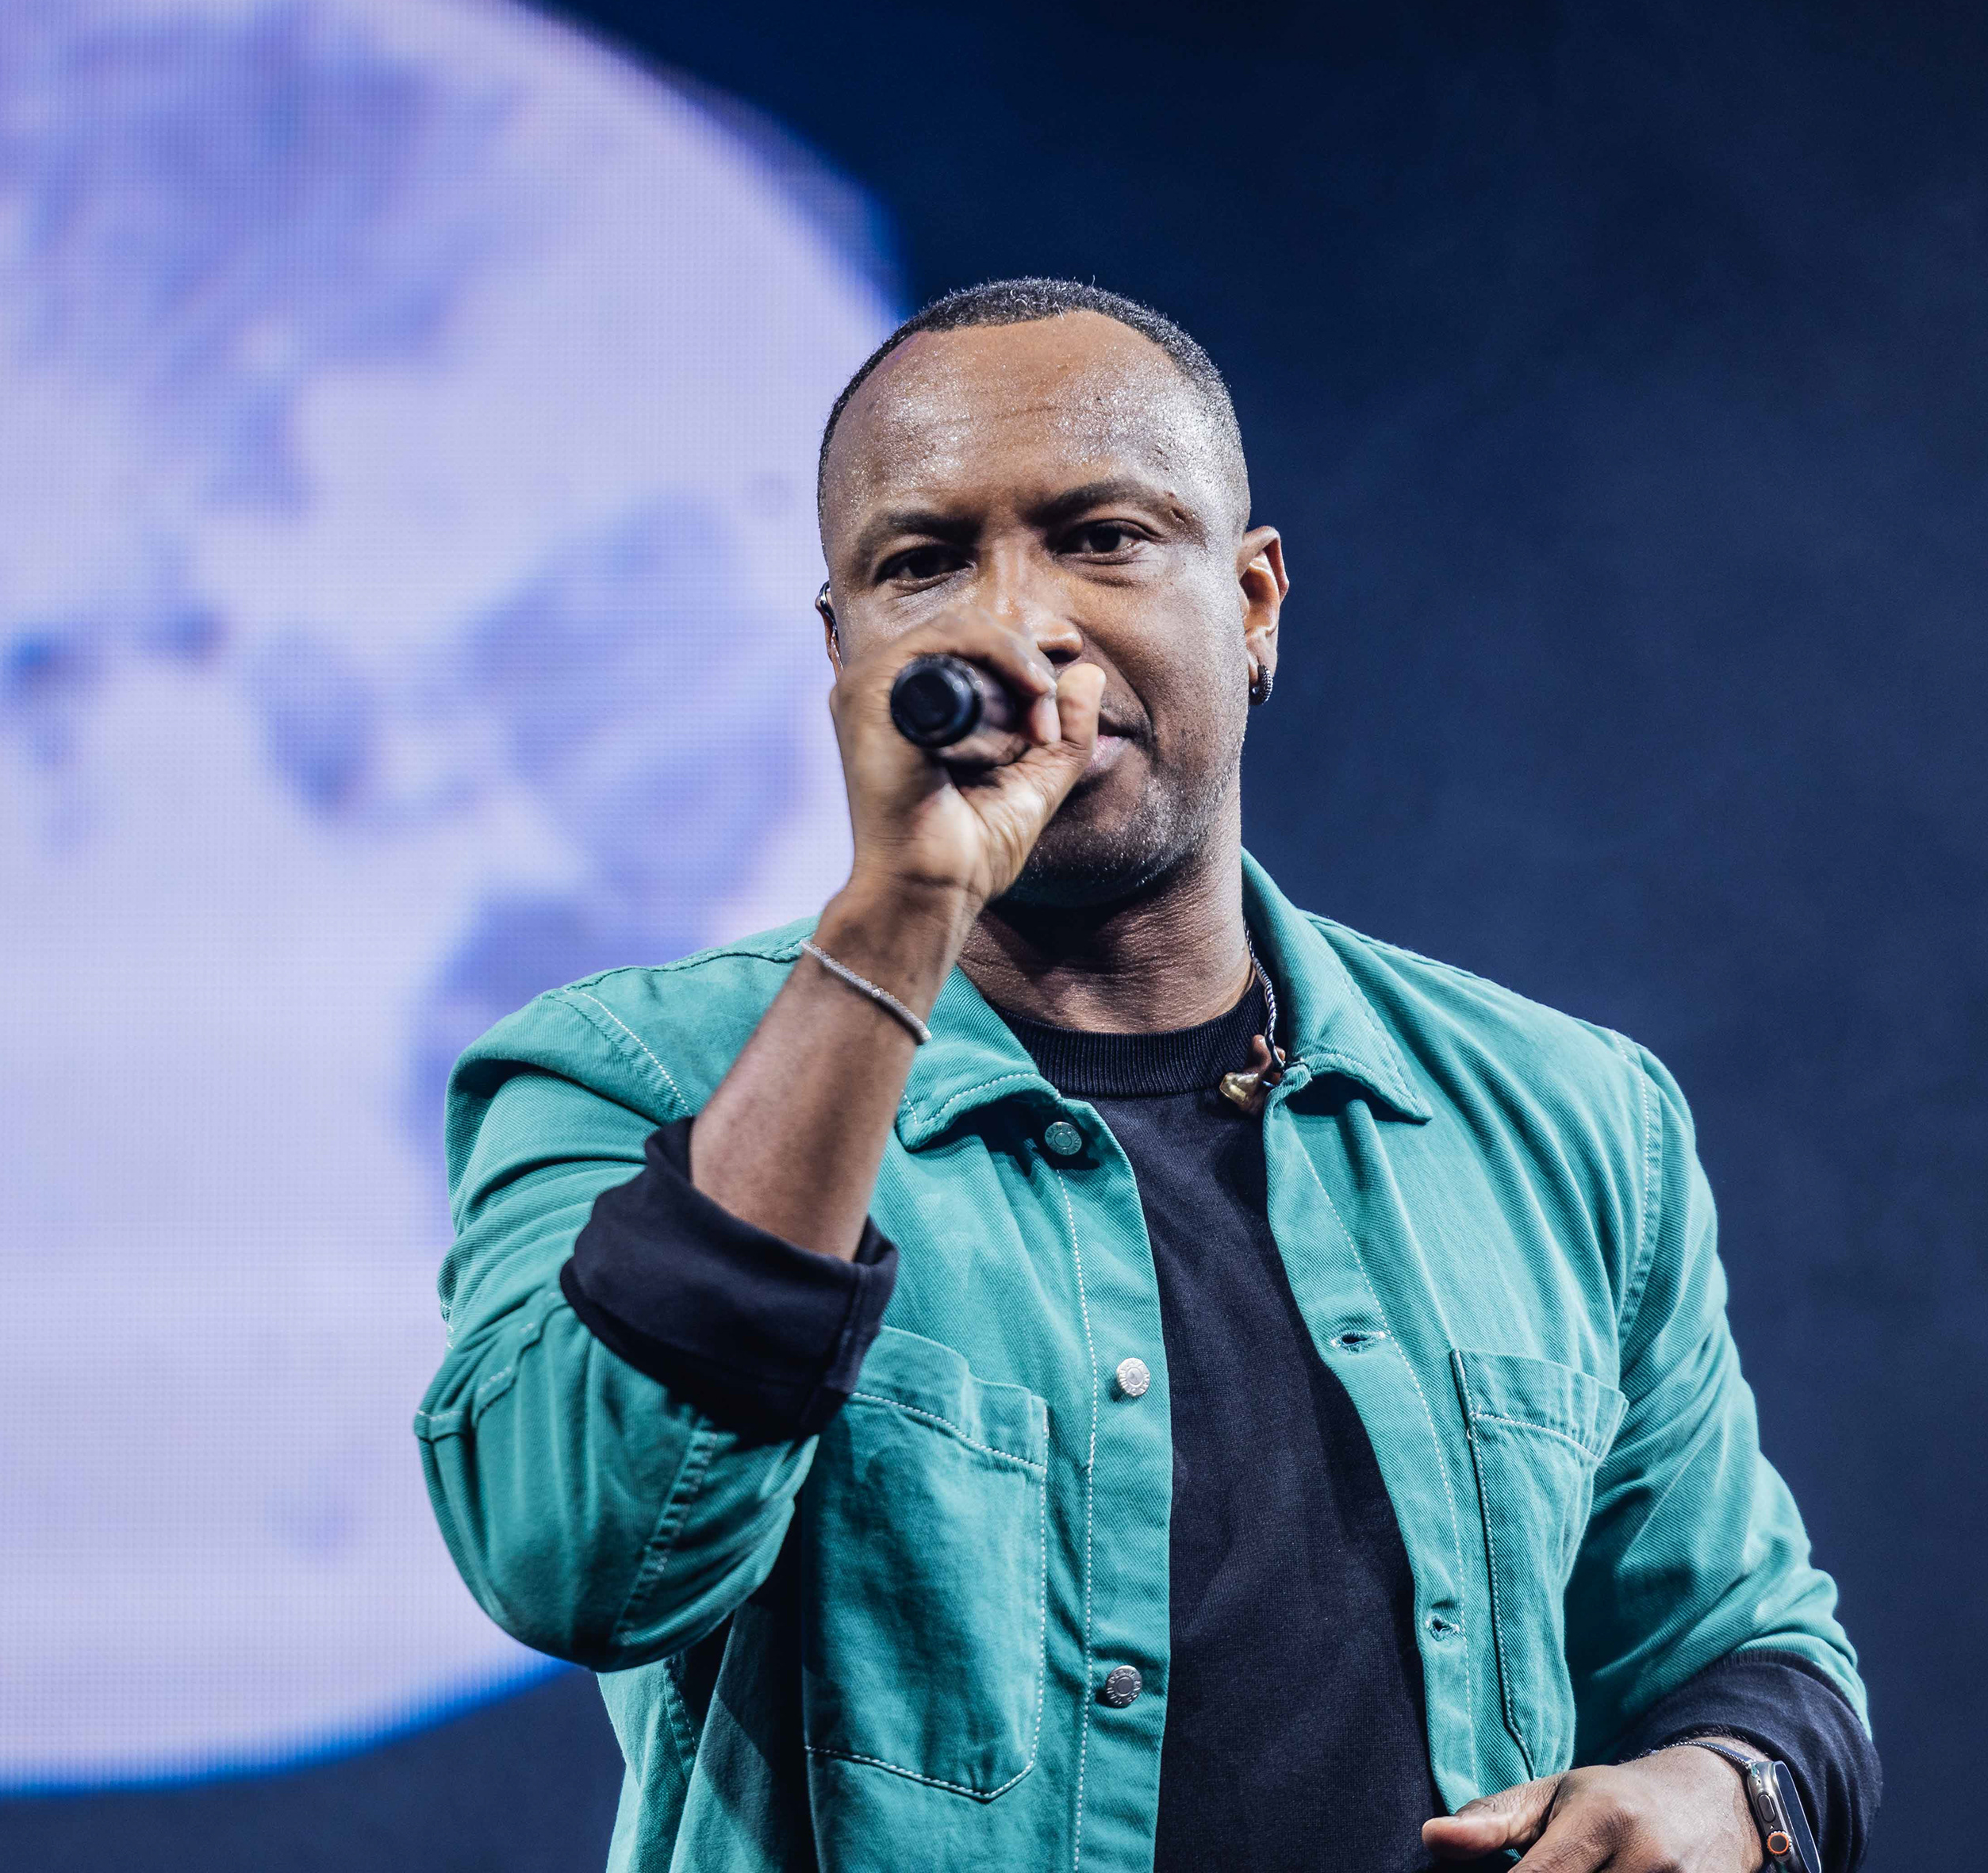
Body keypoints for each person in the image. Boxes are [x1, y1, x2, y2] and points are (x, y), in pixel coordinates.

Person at [417, 279, 1877, 1872]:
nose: (1018, 624)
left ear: (1252, 605)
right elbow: (581, 1559)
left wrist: (1731, 1787)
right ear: (843, 653)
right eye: (924, 564)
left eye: (1102, 537)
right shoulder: (631, 1078)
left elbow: (1746, 1646)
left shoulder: (1574, 1115)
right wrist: (901, 910)